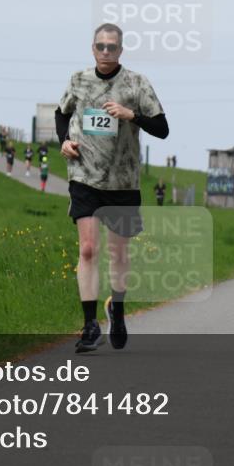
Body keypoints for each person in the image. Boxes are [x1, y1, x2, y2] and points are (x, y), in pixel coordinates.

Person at [56, 23, 168, 352]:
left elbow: (162, 128)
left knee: (118, 253)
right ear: (92, 48)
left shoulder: (137, 83)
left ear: (120, 50)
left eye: (112, 47)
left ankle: (117, 310)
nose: (106, 52)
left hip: (123, 182)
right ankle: (90, 325)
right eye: (100, 46)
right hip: (84, 177)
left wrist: (131, 115)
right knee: (88, 249)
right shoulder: (78, 80)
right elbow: (62, 114)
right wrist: (65, 141)